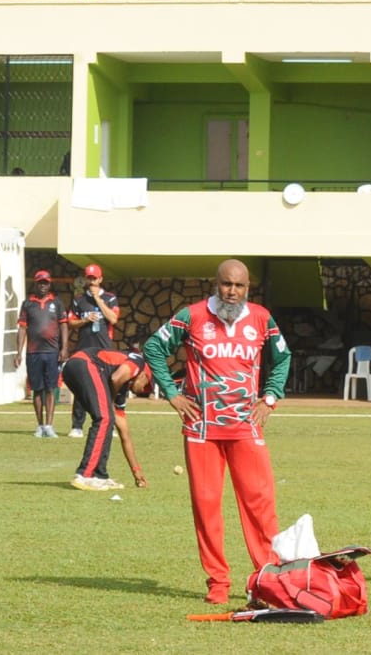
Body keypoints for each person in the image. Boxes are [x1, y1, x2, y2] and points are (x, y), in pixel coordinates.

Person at [143, 258, 290, 605]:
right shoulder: (191, 316)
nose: (232, 292)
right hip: (202, 428)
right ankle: (218, 583)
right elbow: (153, 347)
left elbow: (282, 358)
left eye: (239, 286)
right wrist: (172, 393)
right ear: (216, 284)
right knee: (207, 506)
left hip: (245, 427)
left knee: (260, 505)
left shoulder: (261, 318)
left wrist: (269, 398)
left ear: (247, 288)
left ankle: (266, 578)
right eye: (227, 284)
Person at [62, 347, 154, 491]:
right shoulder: (139, 362)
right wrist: (110, 402)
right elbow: (116, 377)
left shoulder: (122, 390)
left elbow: (125, 435)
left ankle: (100, 475)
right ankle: (85, 475)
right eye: (146, 386)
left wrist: (136, 471)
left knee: (107, 420)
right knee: (104, 418)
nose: (143, 391)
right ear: (144, 375)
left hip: (73, 369)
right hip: (85, 364)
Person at [63, 263, 120, 438]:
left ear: (101, 279)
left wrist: (98, 300)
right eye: (89, 278)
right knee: (82, 386)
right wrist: (85, 320)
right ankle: (77, 426)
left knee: (108, 387)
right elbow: (70, 322)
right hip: (84, 348)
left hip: (104, 349)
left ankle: (110, 424)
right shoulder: (79, 300)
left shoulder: (110, 298)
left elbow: (113, 318)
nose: (92, 281)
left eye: (95, 278)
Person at [19, 270, 67, 439]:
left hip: (52, 352)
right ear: (36, 283)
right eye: (40, 283)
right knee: (37, 389)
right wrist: (19, 352)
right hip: (33, 352)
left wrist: (64, 348)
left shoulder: (57, 303)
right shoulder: (28, 304)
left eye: (46, 283)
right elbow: (23, 328)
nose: (43, 286)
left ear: (49, 284)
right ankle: (40, 425)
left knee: (51, 388)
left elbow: (63, 326)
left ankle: (49, 425)